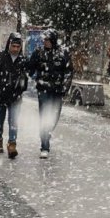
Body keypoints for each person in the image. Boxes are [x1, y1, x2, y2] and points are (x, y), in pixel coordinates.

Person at [27, 29, 73, 158]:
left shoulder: (63, 53)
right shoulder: (38, 53)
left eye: (47, 40)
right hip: (43, 90)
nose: (45, 42)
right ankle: (45, 145)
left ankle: (47, 133)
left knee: (54, 117)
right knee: (44, 116)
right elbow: (30, 68)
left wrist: (65, 87)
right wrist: (34, 76)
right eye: (44, 40)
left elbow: (69, 71)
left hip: (57, 91)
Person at [0, 32, 28, 159]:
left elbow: (25, 77)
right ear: (9, 45)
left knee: (13, 121)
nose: (15, 49)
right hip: (0, 95)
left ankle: (12, 145)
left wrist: (21, 88)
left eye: (18, 46)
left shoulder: (22, 60)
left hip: (15, 97)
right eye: (13, 46)